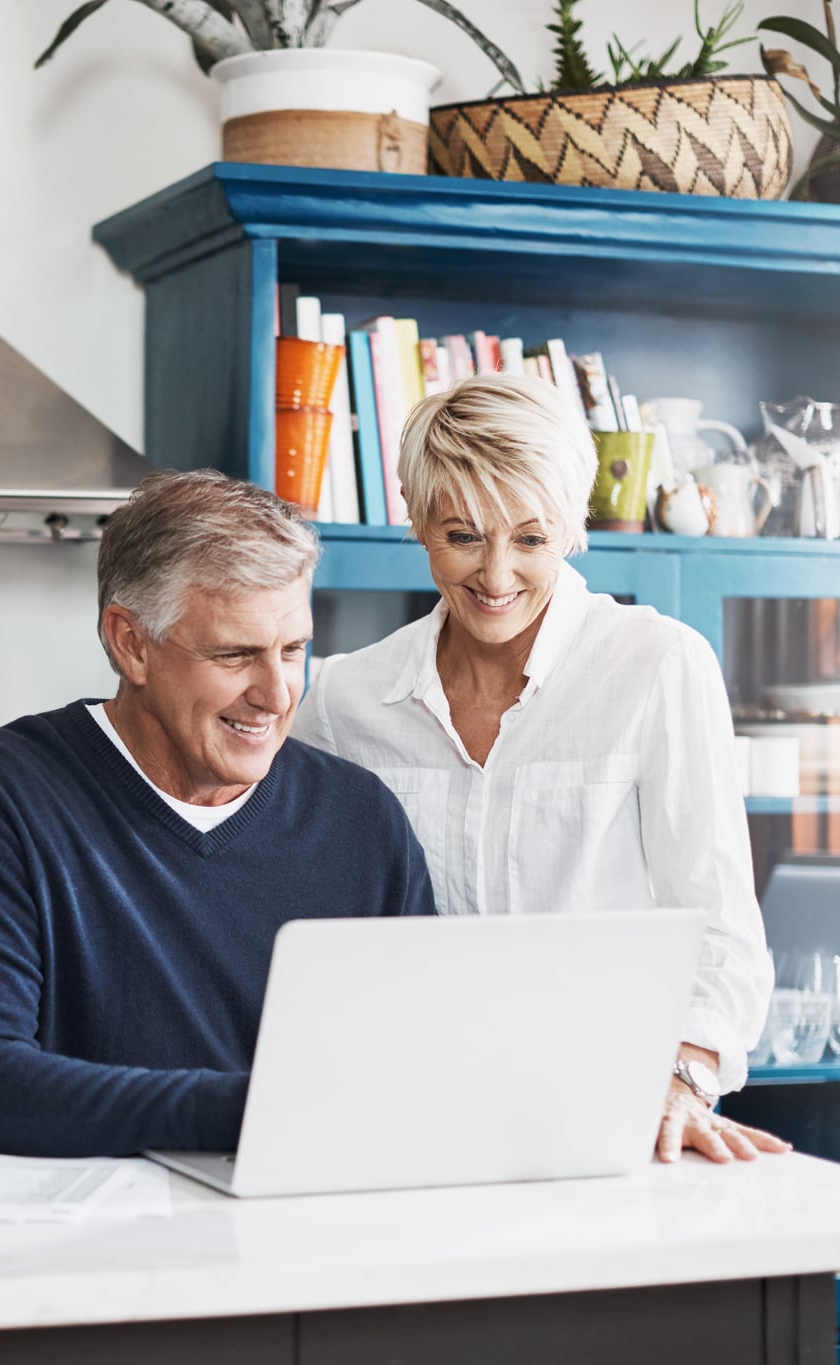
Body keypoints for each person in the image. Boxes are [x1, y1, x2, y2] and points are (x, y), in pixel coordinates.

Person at [294, 373, 786, 1168]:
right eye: (462, 535)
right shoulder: (347, 698)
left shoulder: (656, 665)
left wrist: (684, 1077)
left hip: (613, 1118)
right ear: (417, 522)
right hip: (414, 1121)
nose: (495, 576)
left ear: (572, 525)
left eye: (529, 538)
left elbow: (723, 926)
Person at [0, 469, 436, 1157]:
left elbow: (422, 1076)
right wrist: (251, 1110)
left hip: (306, 1243)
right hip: (85, 1255)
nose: (275, 694)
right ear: (131, 642)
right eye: (235, 654)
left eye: (294, 649)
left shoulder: (364, 823)